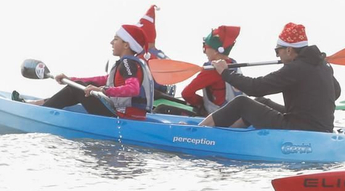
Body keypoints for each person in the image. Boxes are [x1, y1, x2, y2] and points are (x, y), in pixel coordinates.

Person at [200, 21, 339, 131]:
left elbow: (255, 87)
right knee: (261, 101)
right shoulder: (322, 64)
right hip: (320, 125)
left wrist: (225, 73)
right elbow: (336, 92)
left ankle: (198, 132)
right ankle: (231, 132)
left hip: (301, 128)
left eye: (277, 51)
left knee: (241, 102)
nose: (278, 55)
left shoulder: (296, 69)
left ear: (289, 50)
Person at [25, 21, 156, 119]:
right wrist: (72, 80)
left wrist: (103, 90)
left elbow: (133, 89)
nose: (111, 42)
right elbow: (103, 79)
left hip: (122, 117)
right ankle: (42, 104)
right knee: (77, 87)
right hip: (128, 116)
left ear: (126, 45)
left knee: (78, 88)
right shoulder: (131, 63)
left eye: (116, 39)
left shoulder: (128, 62)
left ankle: (39, 113)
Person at [181, 25, 242, 116]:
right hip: (238, 115)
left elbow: (186, 93)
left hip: (220, 118)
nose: (205, 51)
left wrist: (201, 103)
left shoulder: (212, 69)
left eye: (205, 47)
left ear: (216, 51)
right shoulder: (234, 65)